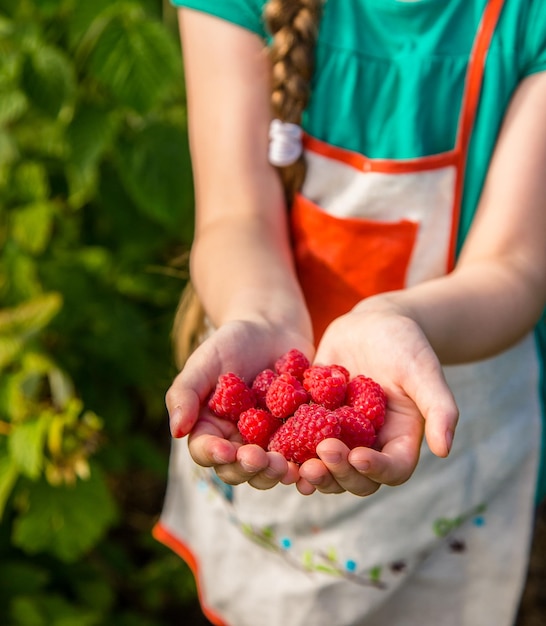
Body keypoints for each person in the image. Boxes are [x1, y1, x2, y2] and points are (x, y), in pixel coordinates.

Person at [153, 1, 546, 624]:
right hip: (267, 366)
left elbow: (516, 268)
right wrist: (257, 315)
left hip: (459, 415)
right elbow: (236, 217)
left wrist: (397, 320)